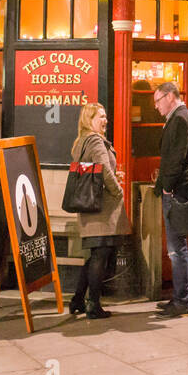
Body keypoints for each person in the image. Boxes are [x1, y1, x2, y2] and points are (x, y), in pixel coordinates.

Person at [57, 101, 131, 318]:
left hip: (89, 206)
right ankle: (93, 304)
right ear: (89, 120)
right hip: (102, 208)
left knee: (94, 255)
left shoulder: (81, 141)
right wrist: (118, 190)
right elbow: (105, 171)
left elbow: (94, 171)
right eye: (100, 116)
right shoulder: (96, 142)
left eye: (106, 115)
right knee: (101, 255)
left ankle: (78, 300)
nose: (105, 120)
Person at [153, 81, 188, 318]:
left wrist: (167, 188)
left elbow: (177, 158)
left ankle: (182, 300)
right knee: (177, 247)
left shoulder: (180, 118)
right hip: (180, 190)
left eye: (158, 100)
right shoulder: (182, 116)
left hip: (178, 192)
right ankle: (180, 297)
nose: (156, 106)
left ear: (170, 96)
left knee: (177, 248)